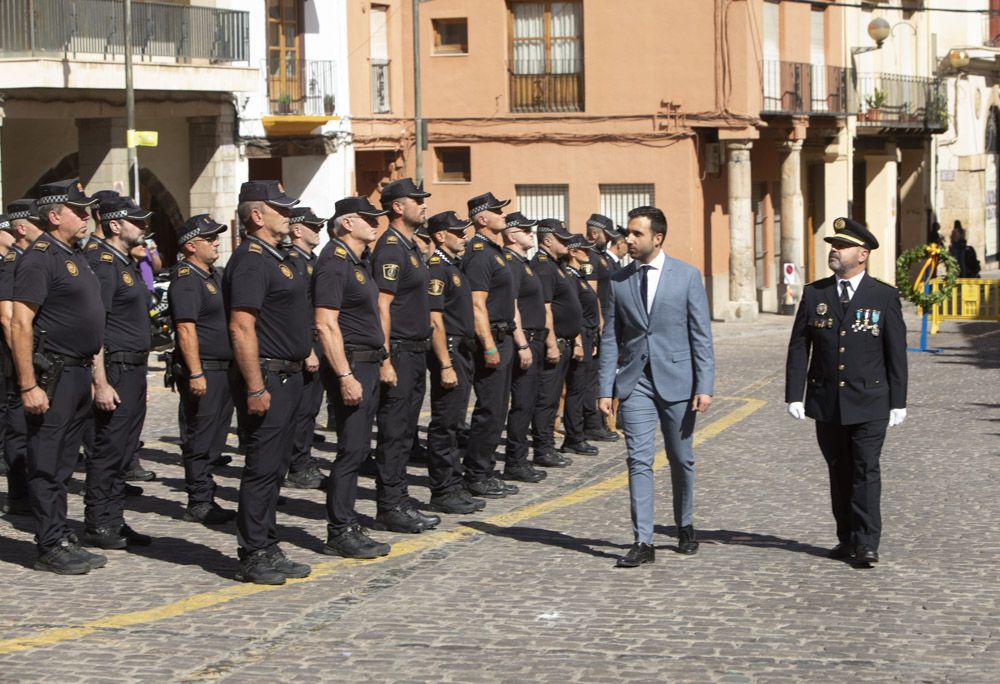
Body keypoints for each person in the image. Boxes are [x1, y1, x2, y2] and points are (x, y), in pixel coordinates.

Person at [785, 217, 908, 566]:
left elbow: (895, 352)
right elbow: (799, 347)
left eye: (842, 246)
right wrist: (795, 394)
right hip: (826, 401)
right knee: (838, 470)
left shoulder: (883, 296)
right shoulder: (815, 293)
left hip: (870, 401)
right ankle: (846, 537)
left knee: (865, 470)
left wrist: (898, 401)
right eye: (832, 246)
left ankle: (867, 541)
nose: (834, 251)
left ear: (863, 254)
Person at [598, 206, 715, 568]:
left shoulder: (687, 276)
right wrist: (605, 388)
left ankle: (685, 525)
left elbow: (701, 335)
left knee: (681, 458)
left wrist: (704, 384)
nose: (627, 240)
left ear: (657, 237)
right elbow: (610, 338)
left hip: (679, 382)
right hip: (636, 384)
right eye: (627, 234)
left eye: (636, 234)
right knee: (638, 460)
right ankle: (643, 540)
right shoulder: (618, 281)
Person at [11, 179, 108, 574]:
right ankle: (49, 543)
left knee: (66, 461)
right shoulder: (39, 258)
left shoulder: (72, 253)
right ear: (54, 216)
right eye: (79, 211)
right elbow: (20, 323)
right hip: (54, 373)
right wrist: (28, 385)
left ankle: (62, 534)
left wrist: (98, 377)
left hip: (79, 371)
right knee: (47, 461)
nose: (87, 217)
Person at [223, 180, 313, 585]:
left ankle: (267, 544)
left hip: (288, 374)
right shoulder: (252, 260)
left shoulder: (279, 256)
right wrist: (256, 387)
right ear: (257, 216)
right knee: (261, 467)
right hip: (268, 375)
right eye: (281, 209)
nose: (290, 215)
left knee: (275, 467)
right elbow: (242, 327)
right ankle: (253, 553)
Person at [314, 196, 392, 558]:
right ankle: (340, 529)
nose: (376, 223)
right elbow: (326, 323)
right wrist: (344, 374)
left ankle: (348, 523)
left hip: (368, 363)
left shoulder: (356, 261)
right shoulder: (334, 262)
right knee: (349, 450)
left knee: (359, 448)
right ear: (347, 223)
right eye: (368, 218)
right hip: (353, 365)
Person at [82, 195, 156, 551]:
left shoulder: (123, 261)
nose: (143, 227)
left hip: (134, 366)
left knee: (123, 449)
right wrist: (101, 381)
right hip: (115, 366)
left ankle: (114, 518)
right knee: (108, 449)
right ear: (115, 225)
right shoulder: (103, 264)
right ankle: (99, 522)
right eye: (137, 222)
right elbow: (96, 327)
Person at [370, 178, 440, 534]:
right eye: (418, 200)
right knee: (394, 432)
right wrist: (384, 359)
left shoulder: (411, 246)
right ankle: (389, 505)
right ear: (398, 207)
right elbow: (382, 306)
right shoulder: (391, 248)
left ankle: (399, 497)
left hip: (415, 350)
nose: (424, 205)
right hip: (398, 350)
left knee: (406, 432)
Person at [168, 214, 236, 525]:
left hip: (223, 369)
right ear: (191, 246)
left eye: (216, 237)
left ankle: (207, 492)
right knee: (199, 436)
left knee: (215, 437)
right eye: (209, 238)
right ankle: (199, 500)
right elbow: (185, 329)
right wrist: (195, 372)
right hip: (204, 368)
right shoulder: (186, 278)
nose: (216, 242)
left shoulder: (211, 275)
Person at [424, 211, 490, 511]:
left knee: (454, 422)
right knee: (445, 424)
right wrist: (445, 364)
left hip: (461, 350)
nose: (465, 236)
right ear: (441, 236)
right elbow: (435, 320)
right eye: (459, 233)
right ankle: (442, 490)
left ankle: (453, 483)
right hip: (449, 350)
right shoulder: (437, 268)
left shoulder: (454, 266)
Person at [461, 192, 520, 499]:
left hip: (504, 334)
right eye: (498, 211)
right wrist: (488, 345)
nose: (504, 216)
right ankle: (477, 473)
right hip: (492, 337)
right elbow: (476, 305)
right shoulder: (480, 253)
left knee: (498, 408)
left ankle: (484, 469)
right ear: (482, 219)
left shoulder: (495, 251)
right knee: (489, 408)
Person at [0, 199, 42, 516]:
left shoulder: (31, 259)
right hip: (15, 357)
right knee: (17, 425)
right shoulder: (13, 261)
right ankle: (19, 495)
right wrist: (21, 358)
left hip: (32, 355)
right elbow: (7, 317)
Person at [501, 212, 548, 484]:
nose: (532, 233)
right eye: (526, 229)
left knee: (528, 401)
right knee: (521, 404)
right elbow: (513, 305)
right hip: (524, 338)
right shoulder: (511, 263)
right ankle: (515, 461)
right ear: (511, 235)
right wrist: (522, 344)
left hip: (534, 338)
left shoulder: (522, 262)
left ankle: (520, 458)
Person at [530, 219, 580, 467]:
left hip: (565, 340)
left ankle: (547, 445)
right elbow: (544, 308)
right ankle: (543, 449)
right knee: (547, 398)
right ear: (547, 241)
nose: (568, 242)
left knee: (552, 397)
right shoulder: (542, 266)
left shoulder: (555, 265)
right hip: (554, 341)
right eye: (562, 239)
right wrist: (551, 343)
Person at [284, 206, 327, 490]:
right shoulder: (294, 261)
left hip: (317, 339)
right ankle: (297, 465)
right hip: (305, 342)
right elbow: (297, 310)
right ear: (297, 230)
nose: (318, 231)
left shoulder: (311, 260)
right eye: (313, 226)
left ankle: (303, 458)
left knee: (311, 409)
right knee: (301, 410)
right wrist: (308, 349)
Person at [561, 234, 602, 454]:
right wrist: (578, 340)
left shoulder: (578, 276)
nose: (589, 254)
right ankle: (573, 438)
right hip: (579, 337)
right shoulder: (569, 277)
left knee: (582, 386)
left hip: (587, 337)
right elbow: (573, 312)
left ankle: (577, 435)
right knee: (576, 390)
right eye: (585, 250)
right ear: (573, 252)